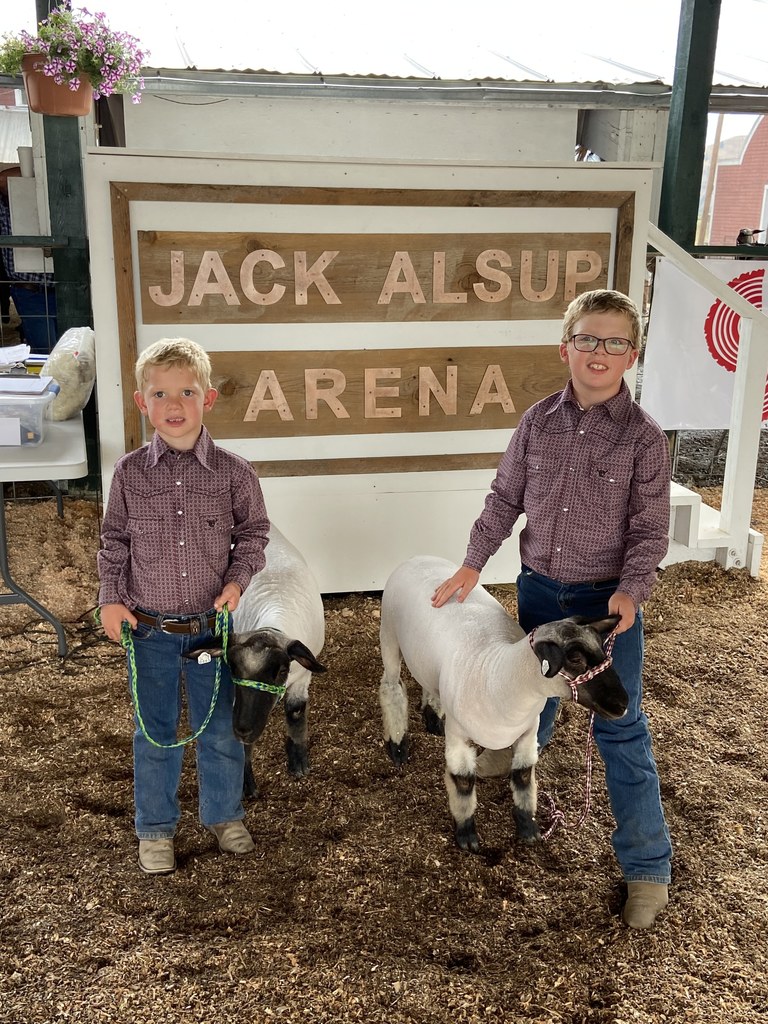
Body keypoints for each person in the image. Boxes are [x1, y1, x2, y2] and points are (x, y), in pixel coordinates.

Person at [431, 289, 672, 929]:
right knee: (532, 691)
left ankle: (646, 865)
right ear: (564, 346)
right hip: (539, 592)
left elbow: (650, 529)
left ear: (633, 355)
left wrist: (631, 589)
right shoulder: (537, 421)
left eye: (614, 342)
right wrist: (473, 562)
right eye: (587, 339)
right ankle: (510, 750)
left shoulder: (646, 440)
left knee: (620, 725)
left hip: (604, 610)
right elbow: (504, 496)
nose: (599, 352)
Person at [97, 337, 270, 876]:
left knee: (218, 726)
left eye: (187, 392)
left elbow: (254, 533)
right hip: (148, 629)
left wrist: (238, 581)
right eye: (161, 393)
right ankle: (155, 829)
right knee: (155, 729)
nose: (175, 405)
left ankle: (224, 814)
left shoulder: (234, 473)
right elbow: (114, 541)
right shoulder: (129, 474)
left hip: (209, 630)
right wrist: (109, 599)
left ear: (209, 399)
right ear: (141, 402)